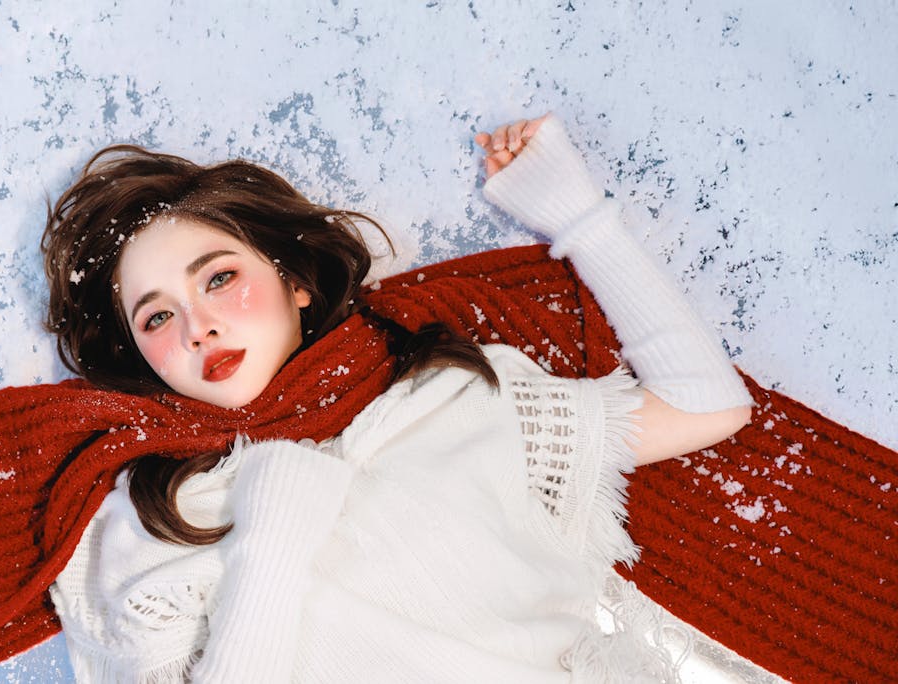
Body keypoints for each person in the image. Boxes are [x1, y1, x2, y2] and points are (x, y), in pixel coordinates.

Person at [43, 113, 753, 683]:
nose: (200, 328)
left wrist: (578, 216)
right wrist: (272, 537)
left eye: (219, 278)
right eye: (157, 317)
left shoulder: (456, 402)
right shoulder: (154, 522)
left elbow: (705, 405)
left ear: (296, 281)